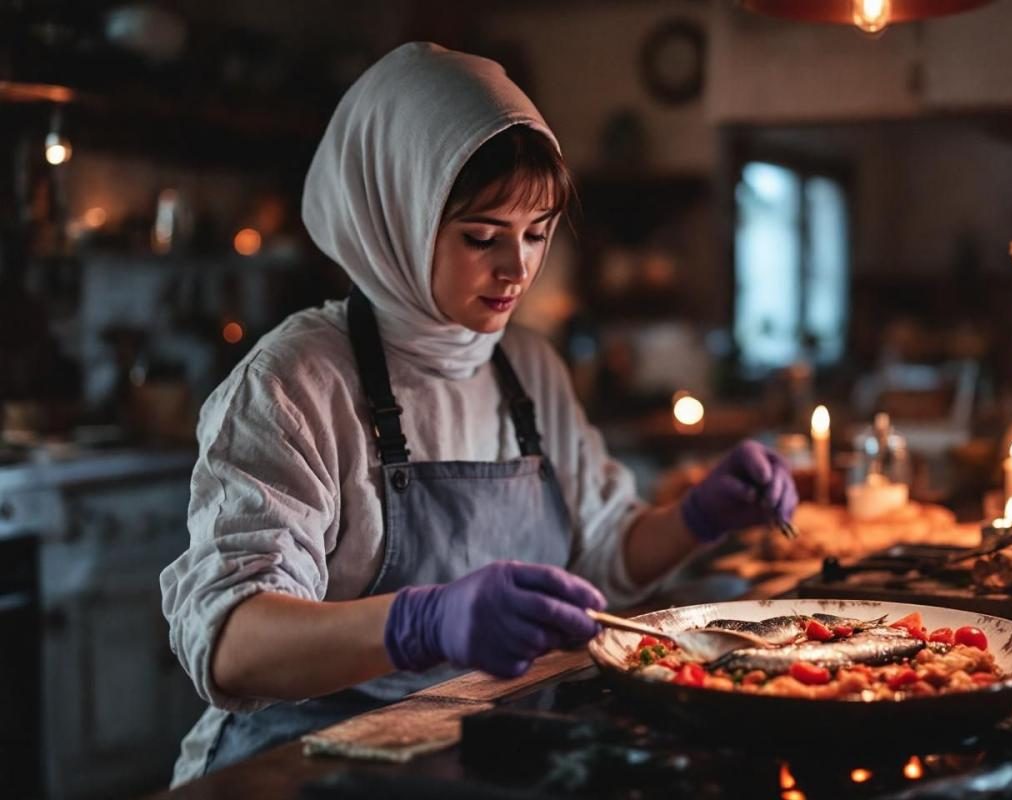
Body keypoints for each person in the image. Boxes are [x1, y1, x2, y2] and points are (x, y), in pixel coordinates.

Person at [160, 42, 797, 785]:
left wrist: (698, 516)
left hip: (478, 745)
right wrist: (418, 623)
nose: (518, 269)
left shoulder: (525, 368)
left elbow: (603, 559)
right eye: (481, 237)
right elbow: (232, 643)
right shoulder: (298, 380)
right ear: (392, 214)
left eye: (536, 233)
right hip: (304, 760)